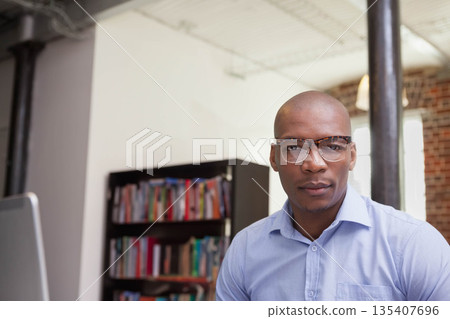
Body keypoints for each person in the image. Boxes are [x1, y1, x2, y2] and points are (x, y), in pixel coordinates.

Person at [216, 90, 450, 301]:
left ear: (352, 156)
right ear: (274, 157)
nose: (313, 164)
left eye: (333, 146)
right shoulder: (245, 251)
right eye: (294, 147)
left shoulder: (414, 245)